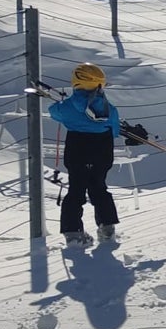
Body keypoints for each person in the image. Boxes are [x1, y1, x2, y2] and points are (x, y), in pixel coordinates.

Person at [48, 63, 122, 245]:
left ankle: (73, 232)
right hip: (102, 152)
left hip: (77, 150)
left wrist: (63, 103)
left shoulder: (67, 107)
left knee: (76, 190)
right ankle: (107, 229)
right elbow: (115, 130)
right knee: (99, 188)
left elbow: (53, 112)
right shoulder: (109, 109)